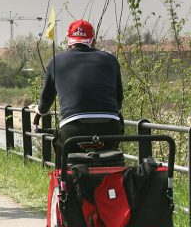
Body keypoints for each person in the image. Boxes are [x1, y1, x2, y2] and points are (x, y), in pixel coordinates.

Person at [34, 19, 124, 168]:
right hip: (109, 126)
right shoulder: (110, 60)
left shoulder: (56, 61)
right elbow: (118, 99)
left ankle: (64, 185)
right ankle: (110, 183)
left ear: (69, 42)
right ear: (93, 41)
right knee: (110, 157)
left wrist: (38, 113)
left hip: (73, 128)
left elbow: (44, 104)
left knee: (63, 154)